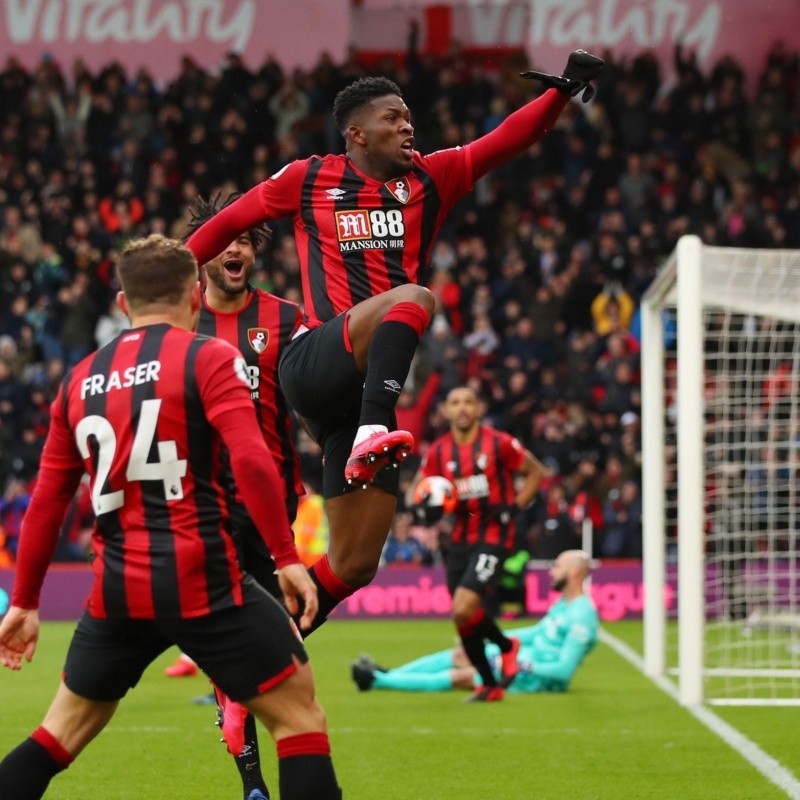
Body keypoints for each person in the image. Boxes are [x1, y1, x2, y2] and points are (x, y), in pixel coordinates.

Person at [185, 51, 604, 635]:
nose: (408, 126)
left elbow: (506, 139)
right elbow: (228, 223)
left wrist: (562, 91)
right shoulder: (308, 178)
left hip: (356, 401)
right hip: (316, 361)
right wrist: (169, 278)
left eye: (409, 117)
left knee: (355, 564)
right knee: (415, 296)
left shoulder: (431, 179)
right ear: (356, 132)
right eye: (393, 118)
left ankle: (258, 658)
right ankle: (374, 429)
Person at [0, 234, 342, 800]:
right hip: (201, 574)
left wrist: (26, 602)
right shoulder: (209, 356)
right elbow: (254, 459)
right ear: (193, 300)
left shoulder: (79, 380)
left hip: (116, 589)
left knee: (57, 734)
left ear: (121, 304)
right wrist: (286, 557)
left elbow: (47, 502)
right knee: (300, 718)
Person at [164, 194, 310, 800]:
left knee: (259, 637)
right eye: (226, 239)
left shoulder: (287, 318)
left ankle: (233, 699)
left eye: (247, 241)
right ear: (202, 252)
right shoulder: (177, 324)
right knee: (246, 641)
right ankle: (253, 785)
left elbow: (314, 395)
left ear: (255, 252)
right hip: (203, 499)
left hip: (271, 497)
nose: (236, 249)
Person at [406, 386, 545, 701]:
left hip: (494, 538)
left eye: (469, 401)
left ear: (479, 408)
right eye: (455, 402)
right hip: (457, 541)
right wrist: (424, 507)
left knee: (463, 607)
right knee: (462, 618)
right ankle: (490, 684)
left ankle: (508, 646)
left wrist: (514, 507)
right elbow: (419, 490)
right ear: (446, 411)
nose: (463, 408)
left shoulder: (498, 443)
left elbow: (536, 472)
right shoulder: (440, 451)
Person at [350, 550, 598, 695]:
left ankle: (377, 681)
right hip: (526, 659)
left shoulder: (583, 616)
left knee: (467, 675)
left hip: (537, 679)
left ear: (574, 573)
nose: (551, 571)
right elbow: (535, 633)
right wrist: (494, 640)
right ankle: (390, 672)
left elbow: (563, 670)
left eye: (557, 566)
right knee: (463, 652)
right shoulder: (563, 604)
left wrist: (517, 664)